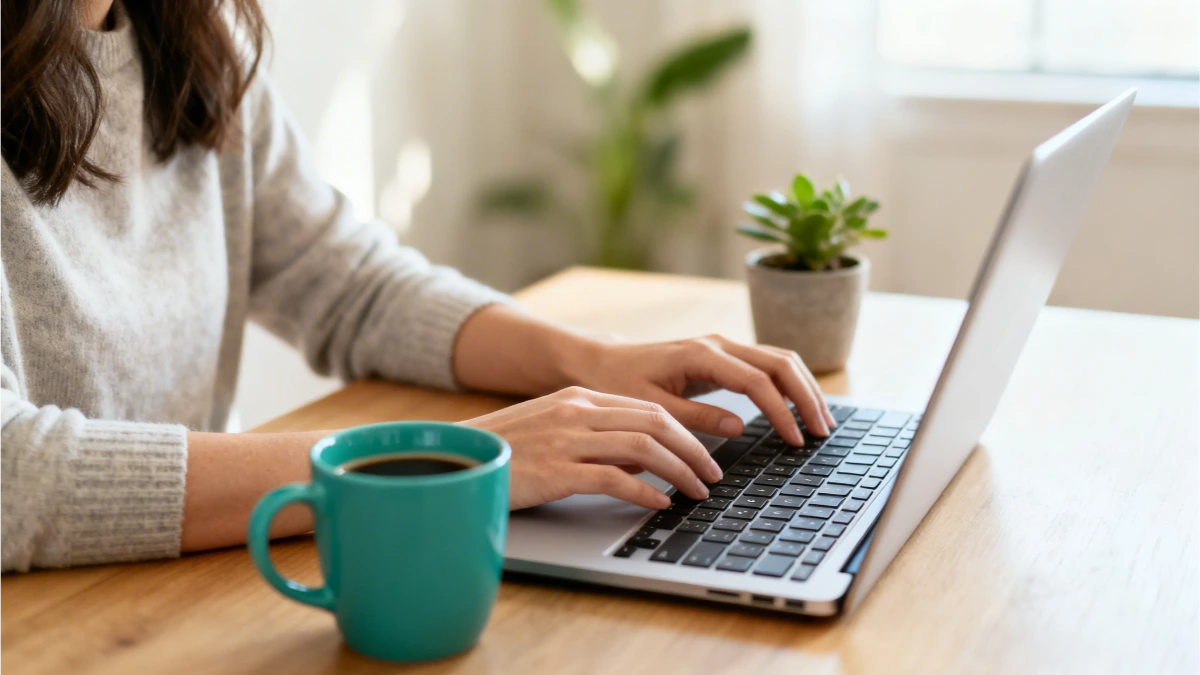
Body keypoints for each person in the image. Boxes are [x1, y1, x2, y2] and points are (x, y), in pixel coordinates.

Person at [0, 0, 833, 573]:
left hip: (198, 578)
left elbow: (345, 278)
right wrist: (425, 462)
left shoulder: (189, 34)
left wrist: (594, 360)